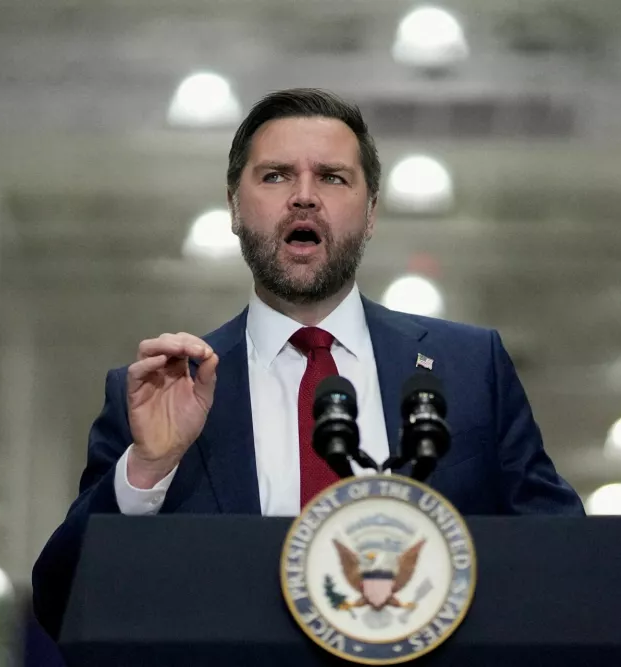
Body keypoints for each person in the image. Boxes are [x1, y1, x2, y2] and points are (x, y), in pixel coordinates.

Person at [32, 88, 584, 639]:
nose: (303, 197)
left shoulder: (469, 370)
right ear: (232, 207)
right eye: (275, 176)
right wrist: (146, 472)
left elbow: (570, 568)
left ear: (370, 214)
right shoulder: (162, 391)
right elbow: (60, 603)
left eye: (332, 177)